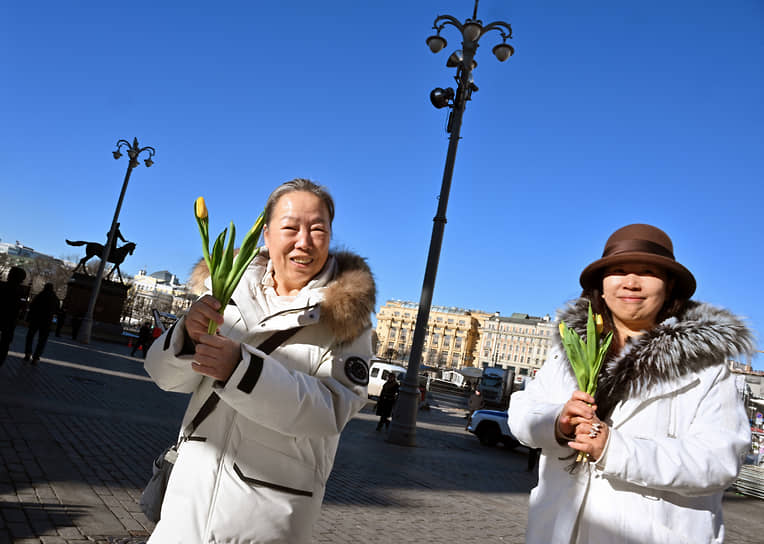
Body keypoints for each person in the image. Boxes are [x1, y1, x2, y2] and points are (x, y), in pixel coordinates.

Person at [144, 178, 375, 543]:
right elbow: (163, 376)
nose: (304, 241)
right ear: (266, 235)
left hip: (266, 522)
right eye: (290, 228)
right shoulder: (225, 291)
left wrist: (241, 369)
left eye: (318, 229)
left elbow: (331, 410)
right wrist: (186, 335)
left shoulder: (346, 321)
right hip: (183, 514)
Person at [508, 224, 753, 544]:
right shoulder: (568, 351)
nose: (631, 282)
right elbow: (522, 412)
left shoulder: (705, 367)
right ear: (602, 285)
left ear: (669, 286)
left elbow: (720, 461)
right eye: (619, 270)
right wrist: (558, 422)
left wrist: (613, 448)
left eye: (648, 271)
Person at [24, 283, 60, 364]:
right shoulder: (55, 298)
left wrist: (28, 318)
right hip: (47, 322)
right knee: (42, 340)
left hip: (35, 320)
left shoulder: (40, 296)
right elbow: (57, 311)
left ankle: (28, 353)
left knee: (30, 336)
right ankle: (36, 358)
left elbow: (32, 307)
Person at [0, 267, 27, 367]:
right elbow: (20, 308)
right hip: (10, 321)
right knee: (5, 343)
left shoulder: (2, 286)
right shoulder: (21, 291)